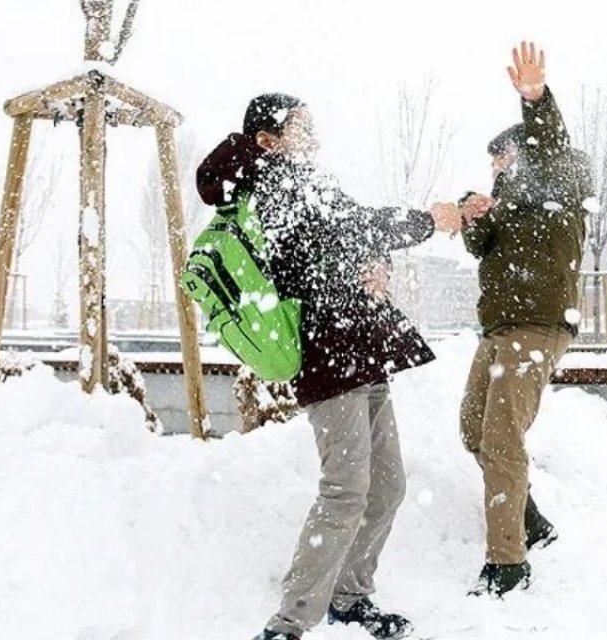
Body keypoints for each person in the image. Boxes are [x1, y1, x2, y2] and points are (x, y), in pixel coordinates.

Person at [196, 94, 464, 640]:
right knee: (345, 489)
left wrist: (375, 263)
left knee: (387, 485)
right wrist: (426, 222)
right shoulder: (274, 183)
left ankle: (350, 598)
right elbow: (349, 228)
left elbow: (343, 240)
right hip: (328, 355)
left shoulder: (303, 179)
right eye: (301, 126)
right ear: (269, 139)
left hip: (360, 349)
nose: (314, 135)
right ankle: (288, 626)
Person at [457, 42, 595, 597]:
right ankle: (529, 518)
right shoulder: (507, 203)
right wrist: (472, 213)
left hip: (537, 327)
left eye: (503, 159)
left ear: (526, 153)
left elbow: (550, 144)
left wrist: (535, 99)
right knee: (474, 428)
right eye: (492, 163)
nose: (496, 168)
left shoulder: (559, 182)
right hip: (500, 329)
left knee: (502, 437)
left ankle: (508, 563)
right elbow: (480, 247)